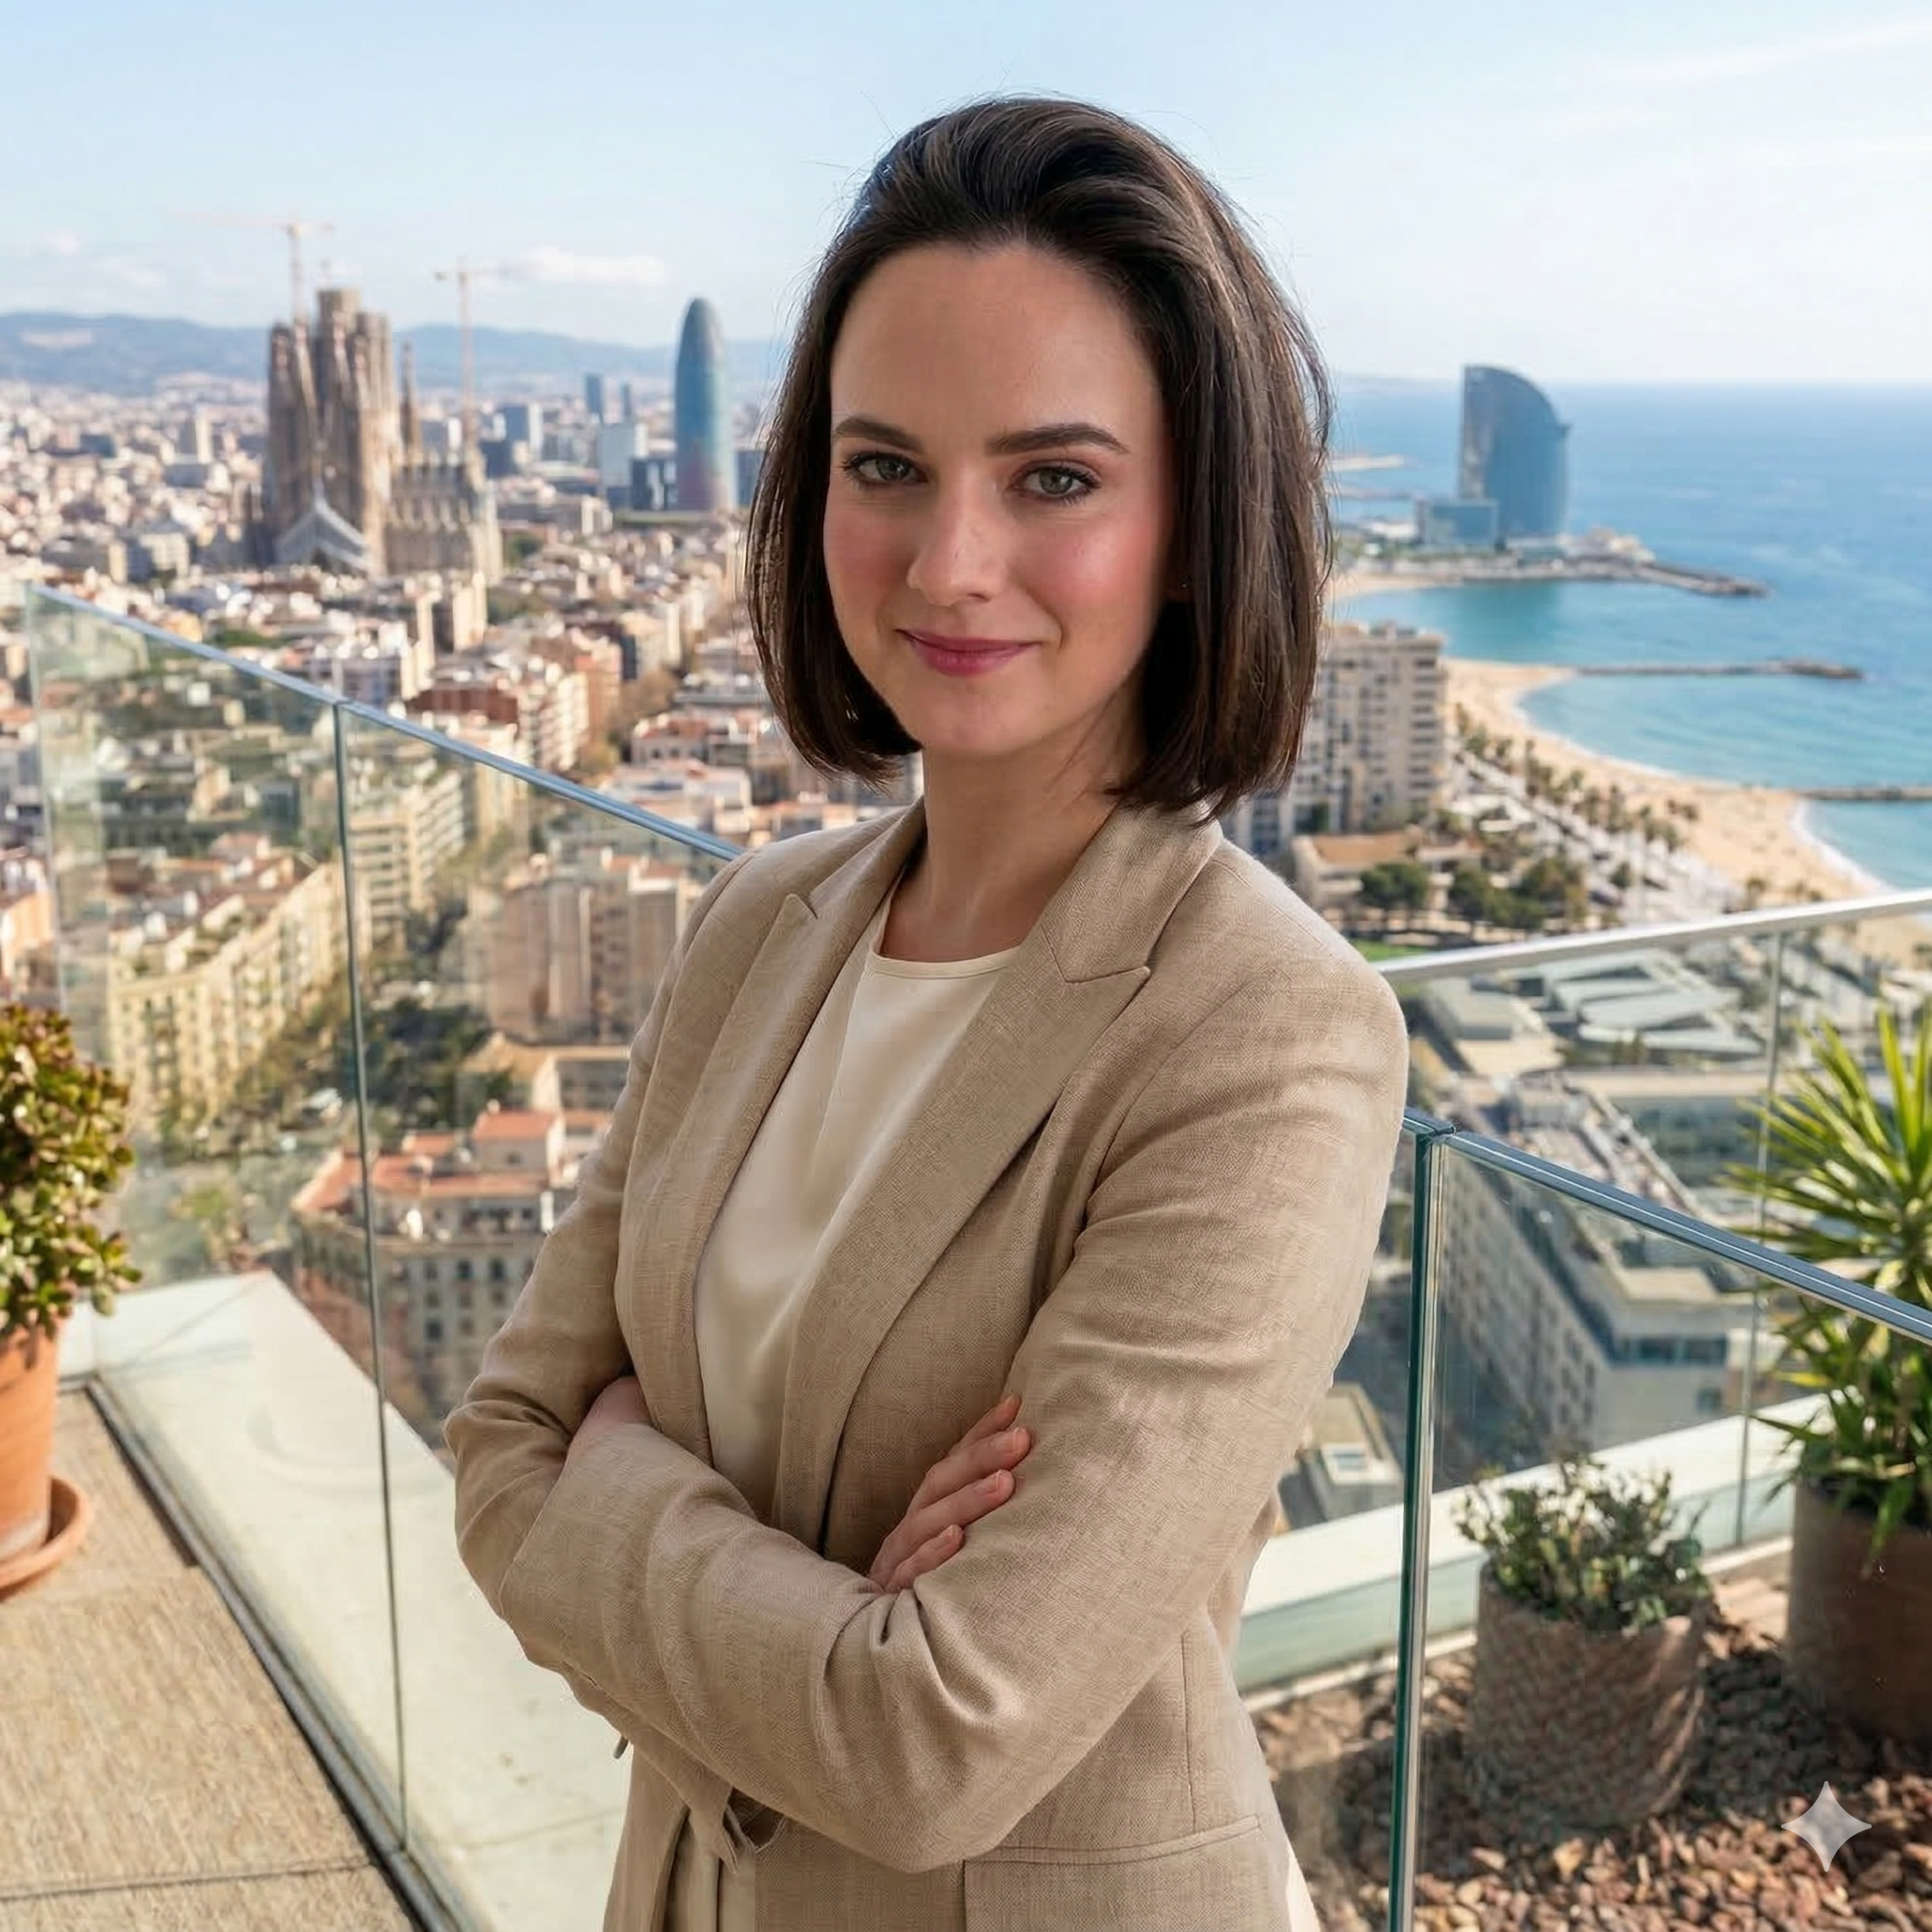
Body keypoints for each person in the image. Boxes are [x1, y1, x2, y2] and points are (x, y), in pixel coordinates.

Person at [447, 94, 1409, 1932]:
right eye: (884, 465)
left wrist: (628, 1478)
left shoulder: (1263, 1037)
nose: (946, 562)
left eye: (1052, 477)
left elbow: (932, 1740)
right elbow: (498, 1462)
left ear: (1192, 521)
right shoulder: (750, 928)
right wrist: (827, 1615)